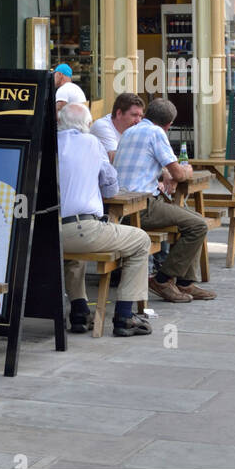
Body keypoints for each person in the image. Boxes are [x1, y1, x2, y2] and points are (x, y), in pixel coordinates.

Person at [57, 103, 152, 337]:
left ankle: (79, 312)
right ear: (87, 124)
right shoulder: (93, 143)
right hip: (84, 228)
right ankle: (124, 315)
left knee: (75, 254)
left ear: (60, 122)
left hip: (51, 233)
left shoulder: (49, 143)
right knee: (141, 240)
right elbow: (110, 188)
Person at [114, 98, 217, 303]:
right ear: (169, 125)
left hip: (120, 206)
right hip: (140, 206)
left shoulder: (129, 132)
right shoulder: (156, 132)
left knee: (193, 219)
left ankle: (185, 283)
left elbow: (143, 166)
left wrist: (162, 174)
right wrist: (186, 170)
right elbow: (179, 174)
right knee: (198, 224)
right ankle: (162, 279)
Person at [90, 93, 144, 161]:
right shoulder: (102, 127)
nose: (139, 121)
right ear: (119, 113)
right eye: (134, 115)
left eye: (140, 116)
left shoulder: (132, 128)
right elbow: (119, 160)